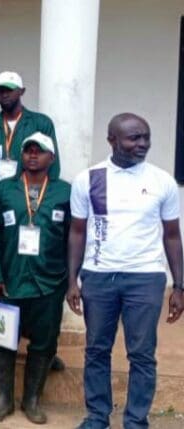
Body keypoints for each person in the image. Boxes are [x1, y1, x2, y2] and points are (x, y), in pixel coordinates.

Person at [67, 113, 184, 429]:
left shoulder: (162, 181)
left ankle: (135, 420)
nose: (142, 144)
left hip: (145, 278)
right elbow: (77, 232)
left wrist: (179, 287)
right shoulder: (89, 179)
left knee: (142, 354)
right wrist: (72, 281)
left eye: (145, 137)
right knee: (96, 350)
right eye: (134, 138)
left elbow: (172, 235)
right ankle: (97, 416)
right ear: (112, 141)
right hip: (98, 276)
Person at [0, 133, 69, 424]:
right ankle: (3, 400)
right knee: (2, 341)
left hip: (50, 282)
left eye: (40, 151)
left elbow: (74, 239)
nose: (33, 155)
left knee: (44, 343)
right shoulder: (3, 190)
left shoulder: (65, 193)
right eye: (28, 150)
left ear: (52, 158)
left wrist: (71, 282)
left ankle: (31, 400)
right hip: (9, 280)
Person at [0, 71, 59, 182]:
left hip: (28, 193)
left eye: (9, 90)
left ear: (22, 91)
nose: (4, 95)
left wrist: (42, 194)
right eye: (0, 91)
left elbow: (52, 163)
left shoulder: (41, 122)